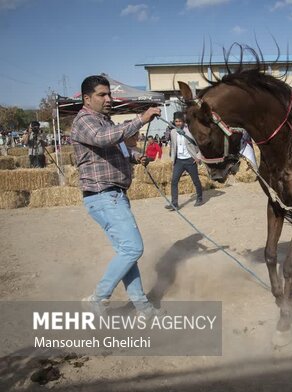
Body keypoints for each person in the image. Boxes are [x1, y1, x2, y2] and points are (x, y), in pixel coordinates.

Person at [71, 75, 161, 317]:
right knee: (132, 249)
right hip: (103, 195)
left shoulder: (104, 121)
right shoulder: (84, 121)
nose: (109, 99)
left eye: (109, 94)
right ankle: (98, 298)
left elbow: (118, 147)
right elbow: (103, 140)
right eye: (102, 94)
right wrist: (141, 119)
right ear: (87, 98)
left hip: (113, 195)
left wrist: (135, 156)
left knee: (127, 252)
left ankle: (143, 308)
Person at [166, 111, 205, 210]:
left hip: (190, 160)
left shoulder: (190, 131)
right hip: (179, 161)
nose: (178, 123)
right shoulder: (173, 132)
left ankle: (200, 198)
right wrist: (172, 160)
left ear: (183, 121)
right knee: (174, 181)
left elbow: (199, 145)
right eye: (176, 121)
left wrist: (198, 157)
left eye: (179, 121)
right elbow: (173, 147)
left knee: (195, 180)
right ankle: (174, 203)